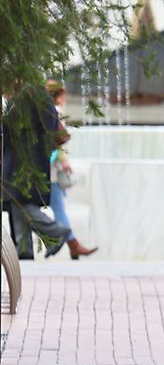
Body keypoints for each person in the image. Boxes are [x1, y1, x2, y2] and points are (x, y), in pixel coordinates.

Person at [2, 84, 71, 261]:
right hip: (26, 159)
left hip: (24, 160)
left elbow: (13, 128)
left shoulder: (29, 95)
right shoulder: (34, 94)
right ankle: (23, 251)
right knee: (17, 202)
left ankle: (55, 232)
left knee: (20, 202)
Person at [45, 81, 97, 259]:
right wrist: (62, 159)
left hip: (49, 168)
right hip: (51, 170)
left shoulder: (45, 111)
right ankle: (71, 243)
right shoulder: (54, 112)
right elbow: (56, 139)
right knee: (56, 208)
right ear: (59, 96)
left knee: (55, 207)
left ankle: (72, 245)